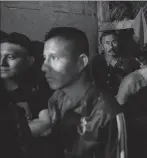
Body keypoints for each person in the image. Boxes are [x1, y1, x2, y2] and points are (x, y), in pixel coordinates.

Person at [30, 27, 122, 158]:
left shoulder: (107, 112)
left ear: (81, 62)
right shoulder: (56, 99)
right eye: (45, 58)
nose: (44, 67)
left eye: (54, 58)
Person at [0, 32, 49, 121]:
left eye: (11, 57)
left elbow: (46, 122)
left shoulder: (41, 86)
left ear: (29, 61)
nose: (2, 63)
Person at [92, 30, 141, 96]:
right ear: (102, 46)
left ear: (118, 43)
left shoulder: (128, 60)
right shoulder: (96, 62)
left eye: (114, 42)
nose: (111, 47)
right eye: (107, 43)